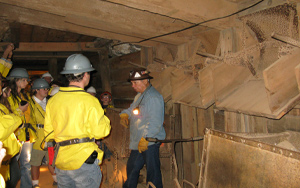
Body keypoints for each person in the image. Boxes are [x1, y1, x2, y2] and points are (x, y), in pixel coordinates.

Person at [44, 54, 111, 188]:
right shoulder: (90, 101)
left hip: (62, 160)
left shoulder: (53, 101)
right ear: (86, 75)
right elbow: (101, 132)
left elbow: (49, 132)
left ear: (68, 75)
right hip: (83, 160)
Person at [120, 68, 166, 188]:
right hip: (139, 141)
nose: (132, 85)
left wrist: (146, 138)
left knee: (153, 173)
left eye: (135, 82)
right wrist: (125, 114)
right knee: (132, 169)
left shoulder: (153, 97)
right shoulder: (140, 96)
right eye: (132, 83)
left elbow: (155, 122)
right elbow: (133, 109)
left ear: (145, 81)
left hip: (149, 142)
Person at [7, 68, 33, 188]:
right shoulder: (7, 96)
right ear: (16, 81)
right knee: (11, 166)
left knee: (26, 164)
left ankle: (26, 186)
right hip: (14, 134)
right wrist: (19, 110)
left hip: (25, 134)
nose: (26, 82)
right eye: (24, 80)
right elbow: (8, 115)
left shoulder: (24, 95)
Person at [29, 78, 57, 188]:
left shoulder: (49, 101)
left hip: (50, 136)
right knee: (36, 162)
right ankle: (35, 183)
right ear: (36, 90)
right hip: (38, 136)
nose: (47, 90)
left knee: (52, 159)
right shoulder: (30, 103)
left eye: (47, 88)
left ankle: (56, 180)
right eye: (44, 89)